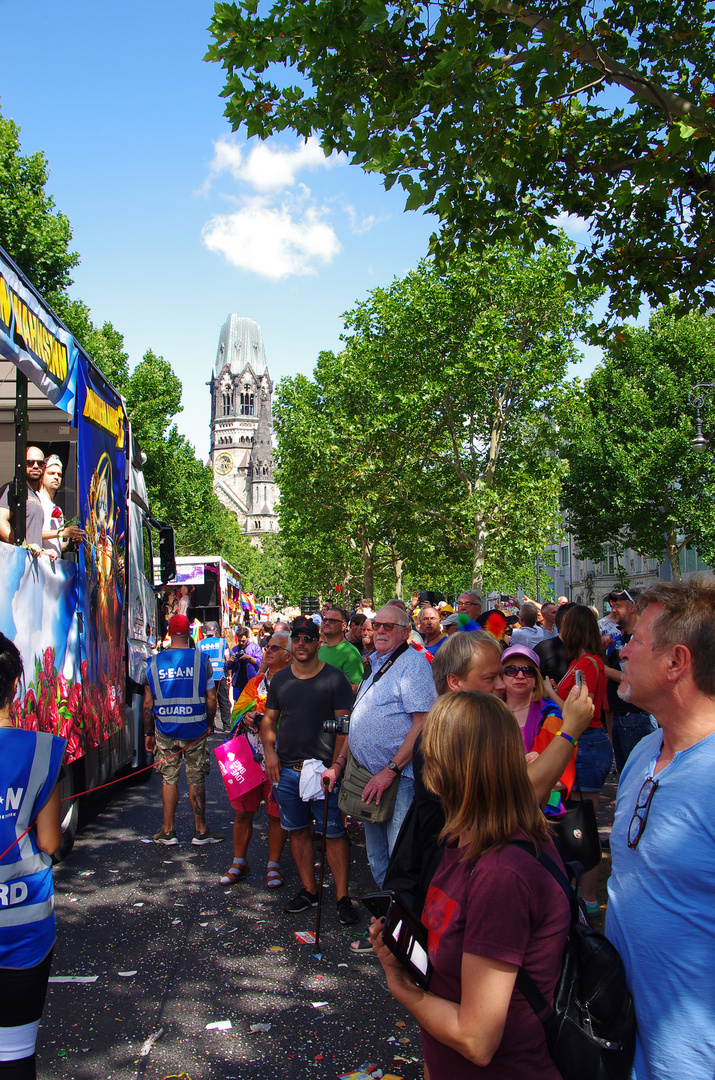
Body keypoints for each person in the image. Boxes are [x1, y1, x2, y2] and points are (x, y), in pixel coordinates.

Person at [369, 690, 571, 1079]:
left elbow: (477, 1040)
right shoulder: (466, 840)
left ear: (445, 770)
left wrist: (402, 986)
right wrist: (407, 954)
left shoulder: (501, 874)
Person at [380, 631, 592, 922]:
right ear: (455, 682)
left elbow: (527, 806)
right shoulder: (451, 732)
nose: (503, 685)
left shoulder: (478, 724)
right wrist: (569, 731)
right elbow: (518, 800)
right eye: (491, 678)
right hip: (455, 882)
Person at [606, 577, 715, 1080]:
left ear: (676, 662)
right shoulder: (645, 752)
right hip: (626, 1042)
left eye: (635, 641)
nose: (622, 651)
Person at [261, 616, 358, 923]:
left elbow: (345, 726)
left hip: (323, 771)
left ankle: (342, 897)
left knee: (333, 833)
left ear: (318, 642)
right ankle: (309, 889)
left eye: (308, 638)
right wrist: (269, 753)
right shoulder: (281, 680)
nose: (301, 643)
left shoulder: (335, 679)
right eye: (297, 639)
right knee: (298, 832)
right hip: (287, 771)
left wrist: (337, 765)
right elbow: (269, 720)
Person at [0, 632, 65, 1080]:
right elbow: (49, 843)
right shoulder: (41, 750)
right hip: (23, 920)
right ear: (15, 686)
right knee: (15, 1055)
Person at [347, 605, 438, 887]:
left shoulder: (414, 665)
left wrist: (389, 771)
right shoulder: (374, 661)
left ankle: (402, 920)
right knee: (377, 855)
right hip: (368, 777)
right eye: (377, 625)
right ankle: (386, 914)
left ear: (406, 632)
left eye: (389, 626)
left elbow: (423, 725)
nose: (381, 631)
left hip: (398, 780)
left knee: (400, 854)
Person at [144, 614, 224, 846]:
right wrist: (209, 724)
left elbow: (148, 704)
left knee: (168, 779)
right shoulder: (202, 660)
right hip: (195, 729)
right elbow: (211, 699)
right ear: (189, 633)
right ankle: (200, 830)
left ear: (168, 633)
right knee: (196, 776)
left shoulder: (153, 663)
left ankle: (168, 831)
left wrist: (148, 734)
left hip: (165, 730)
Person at [219, 632, 291, 888]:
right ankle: (239, 861)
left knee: (275, 815)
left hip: (280, 760)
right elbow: (238, 710)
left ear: (289, 656)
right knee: (242, 813)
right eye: (266, 647)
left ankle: (273, 865)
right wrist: (247, 715)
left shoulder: (294, 683)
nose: (268, 651)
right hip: (249, 757)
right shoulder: (256, 683)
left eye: (275, 648)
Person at [553, 603, 611, 917]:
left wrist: (549, 692)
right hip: (586, 744)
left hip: (587, 743)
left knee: (584, 822)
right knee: (581, 820)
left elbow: (579, 710)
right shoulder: (585, 661)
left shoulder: (586, 663)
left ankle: (588, 897)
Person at [603, 588, 657, 772]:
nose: (613, 610)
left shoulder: (641, 639)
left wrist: (606, 670)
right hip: (621, 717)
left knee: (638, 776)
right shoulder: (620, 637)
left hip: (636, 717)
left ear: (633, 608)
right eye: (613, 606)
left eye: (618, 605)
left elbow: (636, 679)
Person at [501, 643, 561, 754]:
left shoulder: (549, 715)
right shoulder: (490, 711)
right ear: (501, 677)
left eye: (528, 671)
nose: (520, 676)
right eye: (511, 670)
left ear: (536, 681)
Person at [37, 455, 83, 558]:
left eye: (59, 474)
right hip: (38, 564)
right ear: (41, 477)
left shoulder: (57, 508)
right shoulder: (36, 501)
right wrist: (62, 533)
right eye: (51, 473)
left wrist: (70, 544)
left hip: (54, 566)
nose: (56, 477)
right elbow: (32, 533)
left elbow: (55, 545)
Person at [0, 447, 46, 550]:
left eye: (40, 463)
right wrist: (23, 547)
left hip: (31, 563)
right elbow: (0, 522)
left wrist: (43, 552)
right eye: (29, 462)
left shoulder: (36, 496)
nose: (35, 466)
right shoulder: (12, 488)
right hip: (15, 561)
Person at [317, 606, 365, 691]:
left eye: (332, 621)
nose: (327, 623)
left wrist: (329, 686)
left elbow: (357, 687)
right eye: (325, 620)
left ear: (343, 626)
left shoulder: (351, 653)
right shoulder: (321, 649)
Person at [197, 622, 231, 732]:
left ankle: (210, 726)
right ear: (215, 630)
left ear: (205, 631)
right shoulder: (223, 642)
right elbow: (227, 658)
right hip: (220, 674)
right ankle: (226, 726)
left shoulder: (199, 644)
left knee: (207, 700)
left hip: (206, 677)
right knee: (223, 700)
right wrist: (229, 674)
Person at [226, 625, 260, 699]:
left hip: (251, 682)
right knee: (238, 706)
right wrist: (230, 661)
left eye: (243, 641)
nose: (241, 643)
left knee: (251, 705)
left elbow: (259, 663)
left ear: (248, 637)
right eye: (239, 641)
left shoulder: (254, 647)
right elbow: (228, 667)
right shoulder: (234, 649)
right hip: (238, 683)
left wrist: (249, 658)